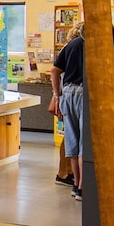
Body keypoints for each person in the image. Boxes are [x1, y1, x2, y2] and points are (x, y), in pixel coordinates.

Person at [45, 33, 85, 200]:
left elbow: (54, 70)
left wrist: (57, 96)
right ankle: (83, 187)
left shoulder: (71, 44)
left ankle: (76, 185)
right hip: (85, 94)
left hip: (68, 94)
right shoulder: (98, 45)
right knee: (85, 144)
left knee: (72, 143)